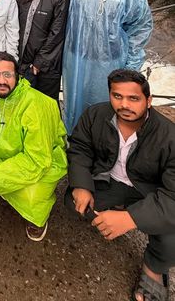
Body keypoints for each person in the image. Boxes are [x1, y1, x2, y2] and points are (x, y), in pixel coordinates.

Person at [65, 69, 175, 301]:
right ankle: (113, 212)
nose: (124, 104)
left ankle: (154, 269)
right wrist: (81, 185)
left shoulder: (169, 136)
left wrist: (130, 218)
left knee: (171, 234)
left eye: (133, 98)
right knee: (72, 201)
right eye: (117, 96)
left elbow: (173, 195)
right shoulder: (95, 115)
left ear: (149, 100)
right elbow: (80, 149)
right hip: (109, 182)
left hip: (148, 193)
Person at [0, 52, 67, 241]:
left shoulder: (35, 104)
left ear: (18, 76)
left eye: (8, 75)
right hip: (1, 152)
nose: (2, 81)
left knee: (32, 197)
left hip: (41, 161)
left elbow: (37, 159)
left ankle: (37, 220)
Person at [62, 0, 153, 133]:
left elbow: (141, 25)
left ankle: (106, 149)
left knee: (107, 105)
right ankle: (74, 144)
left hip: (111, 61)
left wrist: (131, 65)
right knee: (75, 105)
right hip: (76, 59)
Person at [16, 0, 69, 102]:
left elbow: (57, 32)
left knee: (46, 106)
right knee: (24, 105)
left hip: (47, 65)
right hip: (23, 63)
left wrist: (40, 61)